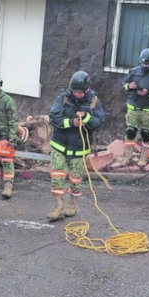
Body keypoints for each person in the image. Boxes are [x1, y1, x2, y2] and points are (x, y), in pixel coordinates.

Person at [47, 71, 105, 221]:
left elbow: (99, 122)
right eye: (74, 91)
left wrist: (86, 118)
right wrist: (71, 122)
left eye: (79, 92)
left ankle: (72, 204)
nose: (77, 94)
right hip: (60, 144)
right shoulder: (64, 98)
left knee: (76, 178)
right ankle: (58, 206)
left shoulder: (93, 102)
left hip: (79, 148)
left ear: (86, 89)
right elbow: (54, 117)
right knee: (57, 175)